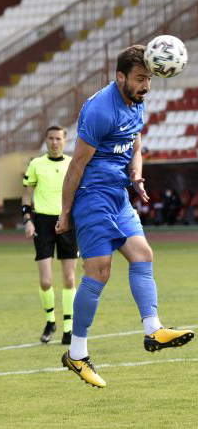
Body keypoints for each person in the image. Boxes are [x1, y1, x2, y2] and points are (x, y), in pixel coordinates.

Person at [56, 45, 194, 388]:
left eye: (149, 78)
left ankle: (153, 330)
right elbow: (76, 165)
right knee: (99, 272)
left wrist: (136, 172)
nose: (146, 85)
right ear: (120, 77)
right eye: (140, 79)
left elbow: (135, 140)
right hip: (92, 197)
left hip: (117, 195)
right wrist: (66, 212)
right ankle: (76, 354)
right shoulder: (101, 110)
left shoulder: (137, 100)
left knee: (143, 254)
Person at [21, 125, 78, 345]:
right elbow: (26, 196)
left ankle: (68, 328)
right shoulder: (36, 164)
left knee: (69, 278)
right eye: (51, 138)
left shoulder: (73, 163)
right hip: (43, 223)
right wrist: (28, 220)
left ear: (65, 140)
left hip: (68, 221)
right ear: (46, 140)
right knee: (45, 280)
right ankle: (50, 320)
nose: (54, 142)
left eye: (58, 138)